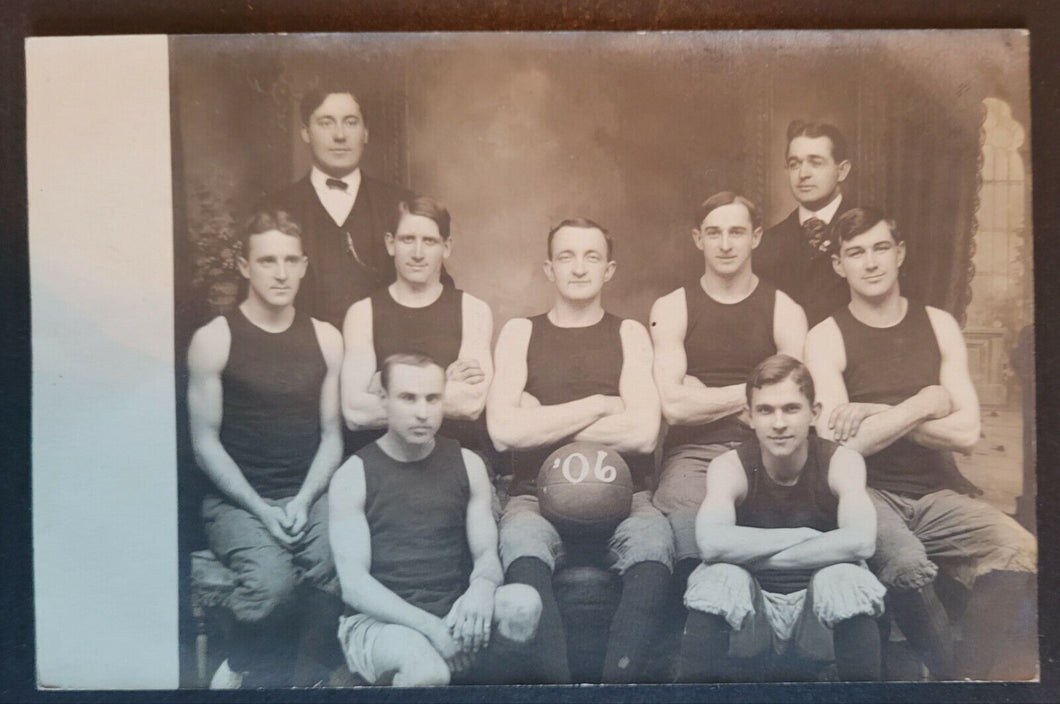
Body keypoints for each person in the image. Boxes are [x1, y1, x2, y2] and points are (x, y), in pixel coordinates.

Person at [804, 207, 1038, 680]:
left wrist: (874, 412)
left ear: (900, 253)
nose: (870, 263)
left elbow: (967, 433)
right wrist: (924, 402)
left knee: (1020, 548)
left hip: (935, 493)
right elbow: (838, 445)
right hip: (863, 494)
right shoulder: (825, 336)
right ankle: (954, 681)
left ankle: (965, 675)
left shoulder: (938, 324)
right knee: (907, 564)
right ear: (839, 265)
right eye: (855, 252)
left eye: (880, 248)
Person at [487, 218, 674, 683]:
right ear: (548, 269)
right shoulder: (520, 333)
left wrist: (542, 418)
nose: (578, 267)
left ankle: (616, 687)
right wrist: (600, 405)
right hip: (534, 496)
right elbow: (503, 432)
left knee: (655, 542)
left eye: (591, 256)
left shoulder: (629, 332)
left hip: (626, 497)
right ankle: (561, 691)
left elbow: (644, 433)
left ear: (609, 270)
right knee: (519, 542)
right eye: (566, 256)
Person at [187, 211, 345, 687]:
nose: (280, 273)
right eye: (267, 260)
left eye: (290, 261)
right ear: (244, 265)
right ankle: (238, 666)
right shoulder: (214, 339)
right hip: (238, 502)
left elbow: (332, 435)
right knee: (274, 586)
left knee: (338, 565)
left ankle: (307, 682)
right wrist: (260, 507)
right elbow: (204, 444)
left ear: (303, 266)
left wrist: (302, 501)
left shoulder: (326, 337)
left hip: (308, 495)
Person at [328, 353, 544, 685]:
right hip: (381, 623)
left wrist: (481, 589)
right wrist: (432, 629)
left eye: (432, 399)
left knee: (523, 604)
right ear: (383, 400)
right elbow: (355, 587)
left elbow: (486, 555)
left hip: (453, 610)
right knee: (429, 672)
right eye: (408, 398)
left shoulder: (467, 464)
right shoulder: (354, 475)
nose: (422, 412)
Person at [677, 354, 884, 682]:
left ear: (814, 413)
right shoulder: (730, 466)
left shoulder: (842, 461)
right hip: (752, 616)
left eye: (791, 408)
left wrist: (751, 554)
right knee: (718, 577)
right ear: (748, 417)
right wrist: (806, 536)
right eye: (765, 410)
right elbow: (712, 544)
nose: (779, 423)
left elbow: (860, 540)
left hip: (817, 616)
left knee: (846, 577)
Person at [650, 191, 807, 586]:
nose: (724, 244)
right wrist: (758, 394)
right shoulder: (672, 308)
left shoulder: (785, 310)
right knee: (690, 536)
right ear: (697, 238)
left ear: (755, 237)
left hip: (767, 451)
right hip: (693, 455)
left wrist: (702, 392)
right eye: (713, 232)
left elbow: (793, 404)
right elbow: (675, 407)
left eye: (736, 232)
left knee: (787, 542)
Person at [265, 85, 449, 329]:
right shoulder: (274, 208)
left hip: (387, 360)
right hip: (301, 357)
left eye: (351, 122)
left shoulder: (401, 205)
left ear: (365, 133)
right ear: (306, 132)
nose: (340, 135)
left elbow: (439, 293)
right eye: (326, 123)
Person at [341, 196, 493, 457]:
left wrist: (382, 385)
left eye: (429, 241)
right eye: (408, 240)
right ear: (391, 244)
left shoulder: (473, 310)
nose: (418, 253)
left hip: (453, 461)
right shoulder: (362, 313)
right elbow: (356, 412)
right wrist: (444, 379)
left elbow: (470, 404)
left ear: (446, 247)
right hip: (383, 466)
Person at [757, 120, 856, 327]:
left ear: (842, 170)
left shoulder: (871, 234)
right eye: (794, 164)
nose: (803, 174)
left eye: (816, 162)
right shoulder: (766, 244)